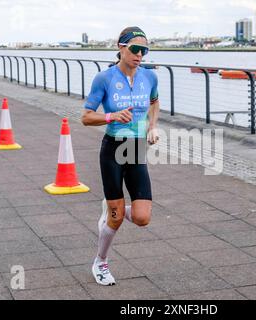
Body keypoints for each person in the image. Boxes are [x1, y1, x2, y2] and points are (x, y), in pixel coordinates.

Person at [81, 26, 160, 286]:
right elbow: (85, 117)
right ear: (121, 47)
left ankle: (112, 210)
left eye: (144, 51)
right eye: (135, 49)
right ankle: (101, 262)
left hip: (135, 148)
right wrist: (111, 116)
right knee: (116, 219)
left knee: (142, 218)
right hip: (113, 149)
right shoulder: (104, 79)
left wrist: (153, 125)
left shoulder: (150, 77)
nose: (140, 55)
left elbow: (154, 102)